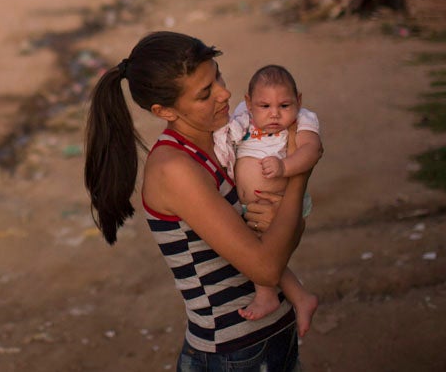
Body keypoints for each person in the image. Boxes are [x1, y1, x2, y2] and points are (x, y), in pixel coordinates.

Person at [84, 31, 317, 371]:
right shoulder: (175, 168)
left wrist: (284, 218)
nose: (225, 93)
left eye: (218, 75)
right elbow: (266, 266)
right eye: (206, 93)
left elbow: (282, 237)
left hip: (271, 339)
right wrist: (299, 174)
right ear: (164, 111)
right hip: (232, 354)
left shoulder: (225, 140)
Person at [213, 64, 322, 336]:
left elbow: (312, 149)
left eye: (285, 105)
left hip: (279, 203)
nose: (275, 114)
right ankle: (300, 297)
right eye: (264, 106)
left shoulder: (303, 119)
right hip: (251, 208)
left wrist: (286, 167)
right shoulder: (243, 118)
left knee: (260, 252)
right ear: (248, 103)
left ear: (299, 100)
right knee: (257, 249)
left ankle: (267, 295)